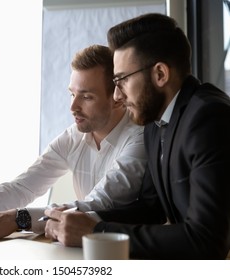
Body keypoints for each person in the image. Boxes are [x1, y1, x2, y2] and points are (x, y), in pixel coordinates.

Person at [44, 13, 230, 259]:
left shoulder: (209, 118)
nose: (117, 96)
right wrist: (87, 220)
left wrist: (98, 231)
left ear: (160, 74)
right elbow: (152, 208)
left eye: (122, 80)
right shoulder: (156, 122)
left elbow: (207, 241)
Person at [0, 44, 147, 242]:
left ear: (118, 98)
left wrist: (18, 219)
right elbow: (24, 186)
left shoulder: (139, 139)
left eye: (86, 97)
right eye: (71, 94)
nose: (72, 107)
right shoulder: (74, 136)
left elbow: (98, 204)